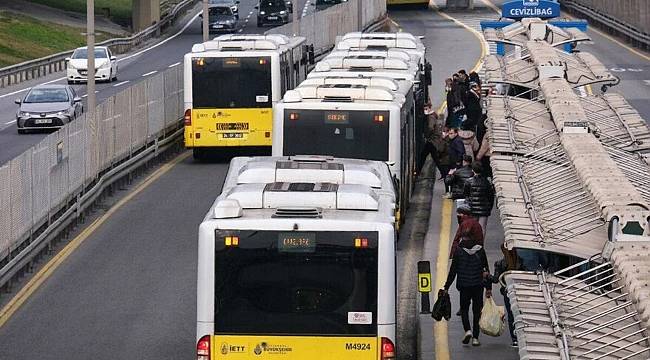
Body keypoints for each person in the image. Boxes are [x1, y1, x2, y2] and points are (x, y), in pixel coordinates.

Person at [444, 209, 491, 347]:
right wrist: (488, 288)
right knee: (477, 311)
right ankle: (476, 338)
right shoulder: (480, 250)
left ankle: (468, 330)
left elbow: (453, 271)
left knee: (464, 309)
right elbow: (486, 270)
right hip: (477, 285)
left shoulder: (459, 251)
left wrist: (446, 287)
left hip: (464, 285)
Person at [486, 244, 522, 348]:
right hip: (521, 290)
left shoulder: (500, 264)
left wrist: (487, 275)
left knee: (511, 314)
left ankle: (514, 338)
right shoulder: (521, 262)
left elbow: (496, 279)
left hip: (507, 292)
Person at [464, 161, 495, 236]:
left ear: (473, 170)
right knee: (482, 228)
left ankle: (473, 243)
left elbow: (466, 194)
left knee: (472, 226)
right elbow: (491, 196)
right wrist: (489, 208)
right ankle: (481, 245)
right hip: (484, 208)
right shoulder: (487, 182)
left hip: (472, 208)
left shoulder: (468, 181)